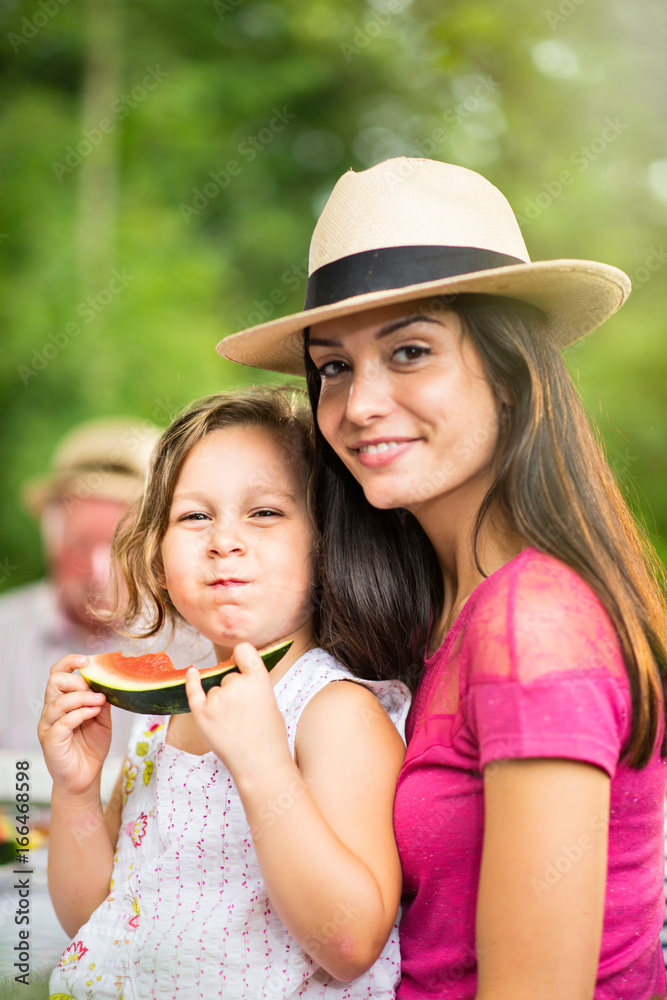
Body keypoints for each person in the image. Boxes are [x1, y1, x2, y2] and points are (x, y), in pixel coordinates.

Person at [217, 158, 667, 999]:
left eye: (410, 351)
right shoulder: (444, 609)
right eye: (334, 367)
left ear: (508, 372)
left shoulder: (533, 626)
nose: (358, 406)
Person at [40, 387, 410, 999]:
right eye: (194, 516)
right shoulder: (162, 721)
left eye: (264, 512)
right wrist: (75, 790)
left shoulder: (335, 711)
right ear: (157, 556)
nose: (223, 541)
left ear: (325, 543)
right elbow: (92, 920)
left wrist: (263, 767)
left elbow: (350, 944)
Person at [0, 416, 215, 754]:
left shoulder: (201, 651)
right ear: (52, 543)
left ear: (153, 551)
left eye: (119, 547)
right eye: (81, 544)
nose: (98, 573)